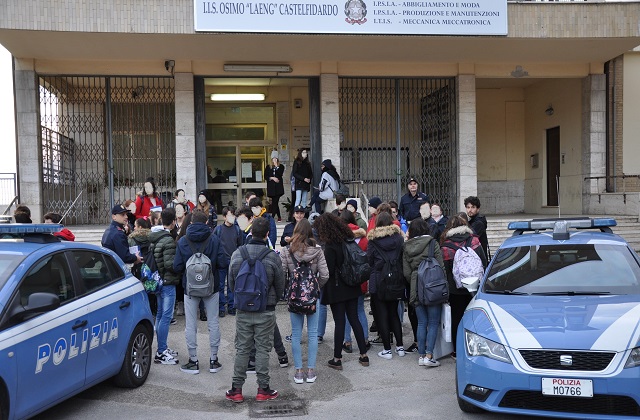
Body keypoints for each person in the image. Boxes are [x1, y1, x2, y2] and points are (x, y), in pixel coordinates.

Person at [226, 217, 285, 403]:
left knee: (242, 349)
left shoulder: (237, 254)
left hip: (243, 310)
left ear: (251, 232)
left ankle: (236, 390)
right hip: (265, 310)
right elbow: (281, 285)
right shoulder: (272, 257)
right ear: (268, 234)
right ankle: (263, 389)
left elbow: (231, 282)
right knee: (262, 350)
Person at [173, 209, 229, 375]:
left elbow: (176, 266)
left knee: (191, 325)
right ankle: (213, 360)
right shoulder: (214, 239)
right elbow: (223, 262)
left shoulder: (183, 241)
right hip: (211, 288)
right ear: (206, 223)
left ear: (190, 223)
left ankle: (193, 361)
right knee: (213, 323)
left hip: (190, 289)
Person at [313, 213, 369, 370]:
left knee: (340, 322)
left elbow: (328, 271)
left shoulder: (330, 246)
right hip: (352, 285)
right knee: (354, 318)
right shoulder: (348, 240)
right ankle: (364, 355)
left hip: (337, 289)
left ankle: (337, 358)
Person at [280, 219, 329, 384]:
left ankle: (299, 371)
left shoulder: (287, 251)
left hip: (294, 298)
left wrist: (289, 289)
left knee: (296, 334)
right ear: (310, 233)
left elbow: (282, 274)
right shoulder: (318, 251)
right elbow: (325, 275)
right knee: (313, 333)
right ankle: (311, 371)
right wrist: (316, 287)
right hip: (312, 297)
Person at [440, 213, 487, 359]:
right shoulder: (474, 241)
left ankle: (456, 350)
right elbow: (483, 262)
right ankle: (475, 349)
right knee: (474, 318)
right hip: (474, 287)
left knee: (456, 319)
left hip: (455, 289)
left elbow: (445, 271)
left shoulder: (445, 246)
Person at [403, 218, 445, 367]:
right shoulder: (432, 243)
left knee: (421, 322)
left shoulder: (406, 246)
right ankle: (429, 355)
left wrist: (415, 278)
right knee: (433, 322)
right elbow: (441, 266)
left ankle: (421, 356)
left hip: (416, 286)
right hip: (433, 285)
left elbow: (406, 273)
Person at [367, 211, 405, 360]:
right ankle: (400, 347)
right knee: (394, 313)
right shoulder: (399, 239)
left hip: (379, 280)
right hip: (395, 278)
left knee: (381, 314)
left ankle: (387, 350)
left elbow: (369, 260)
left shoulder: (373, 240)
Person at [149, 207, 181, 365]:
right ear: (174, 221)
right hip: (167, 282)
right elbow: (170, 264)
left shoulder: (155, 236)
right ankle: (161, 352)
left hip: (158, 281)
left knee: (161, 315)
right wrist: (179, 268)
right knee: (166, 317)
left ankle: (163, 347)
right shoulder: (167, 240)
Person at [339, 210, 370, 353]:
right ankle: (364, 339)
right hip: (361, 280)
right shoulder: (364, 238)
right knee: (360, 311)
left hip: (346, 281)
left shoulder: (340, 238)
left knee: (346, 313)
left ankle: (348, 342)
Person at [213, 206, 243, 317]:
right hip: (221, 262)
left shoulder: (237, 229)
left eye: (233, 215)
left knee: (232, 285)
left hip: (233, 261)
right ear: (224, 216)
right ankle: (221, 307)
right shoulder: (218, 229)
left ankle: (231, 306)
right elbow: (214, 244)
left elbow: (240, 245)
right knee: (220, 285)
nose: (232, 217)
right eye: (229, 215)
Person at [265, 157, 285, 221]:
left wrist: (276, 166)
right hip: (271, 188)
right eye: (273, 159)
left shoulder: (281, 166)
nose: (275, 160)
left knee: (275, 202)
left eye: (276, 159)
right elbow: (266, 176)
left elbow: (280, 173)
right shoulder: (268, 167)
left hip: (278, 188)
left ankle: (272, 217)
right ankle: (279, 217)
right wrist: (272, 178)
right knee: (275, 202)